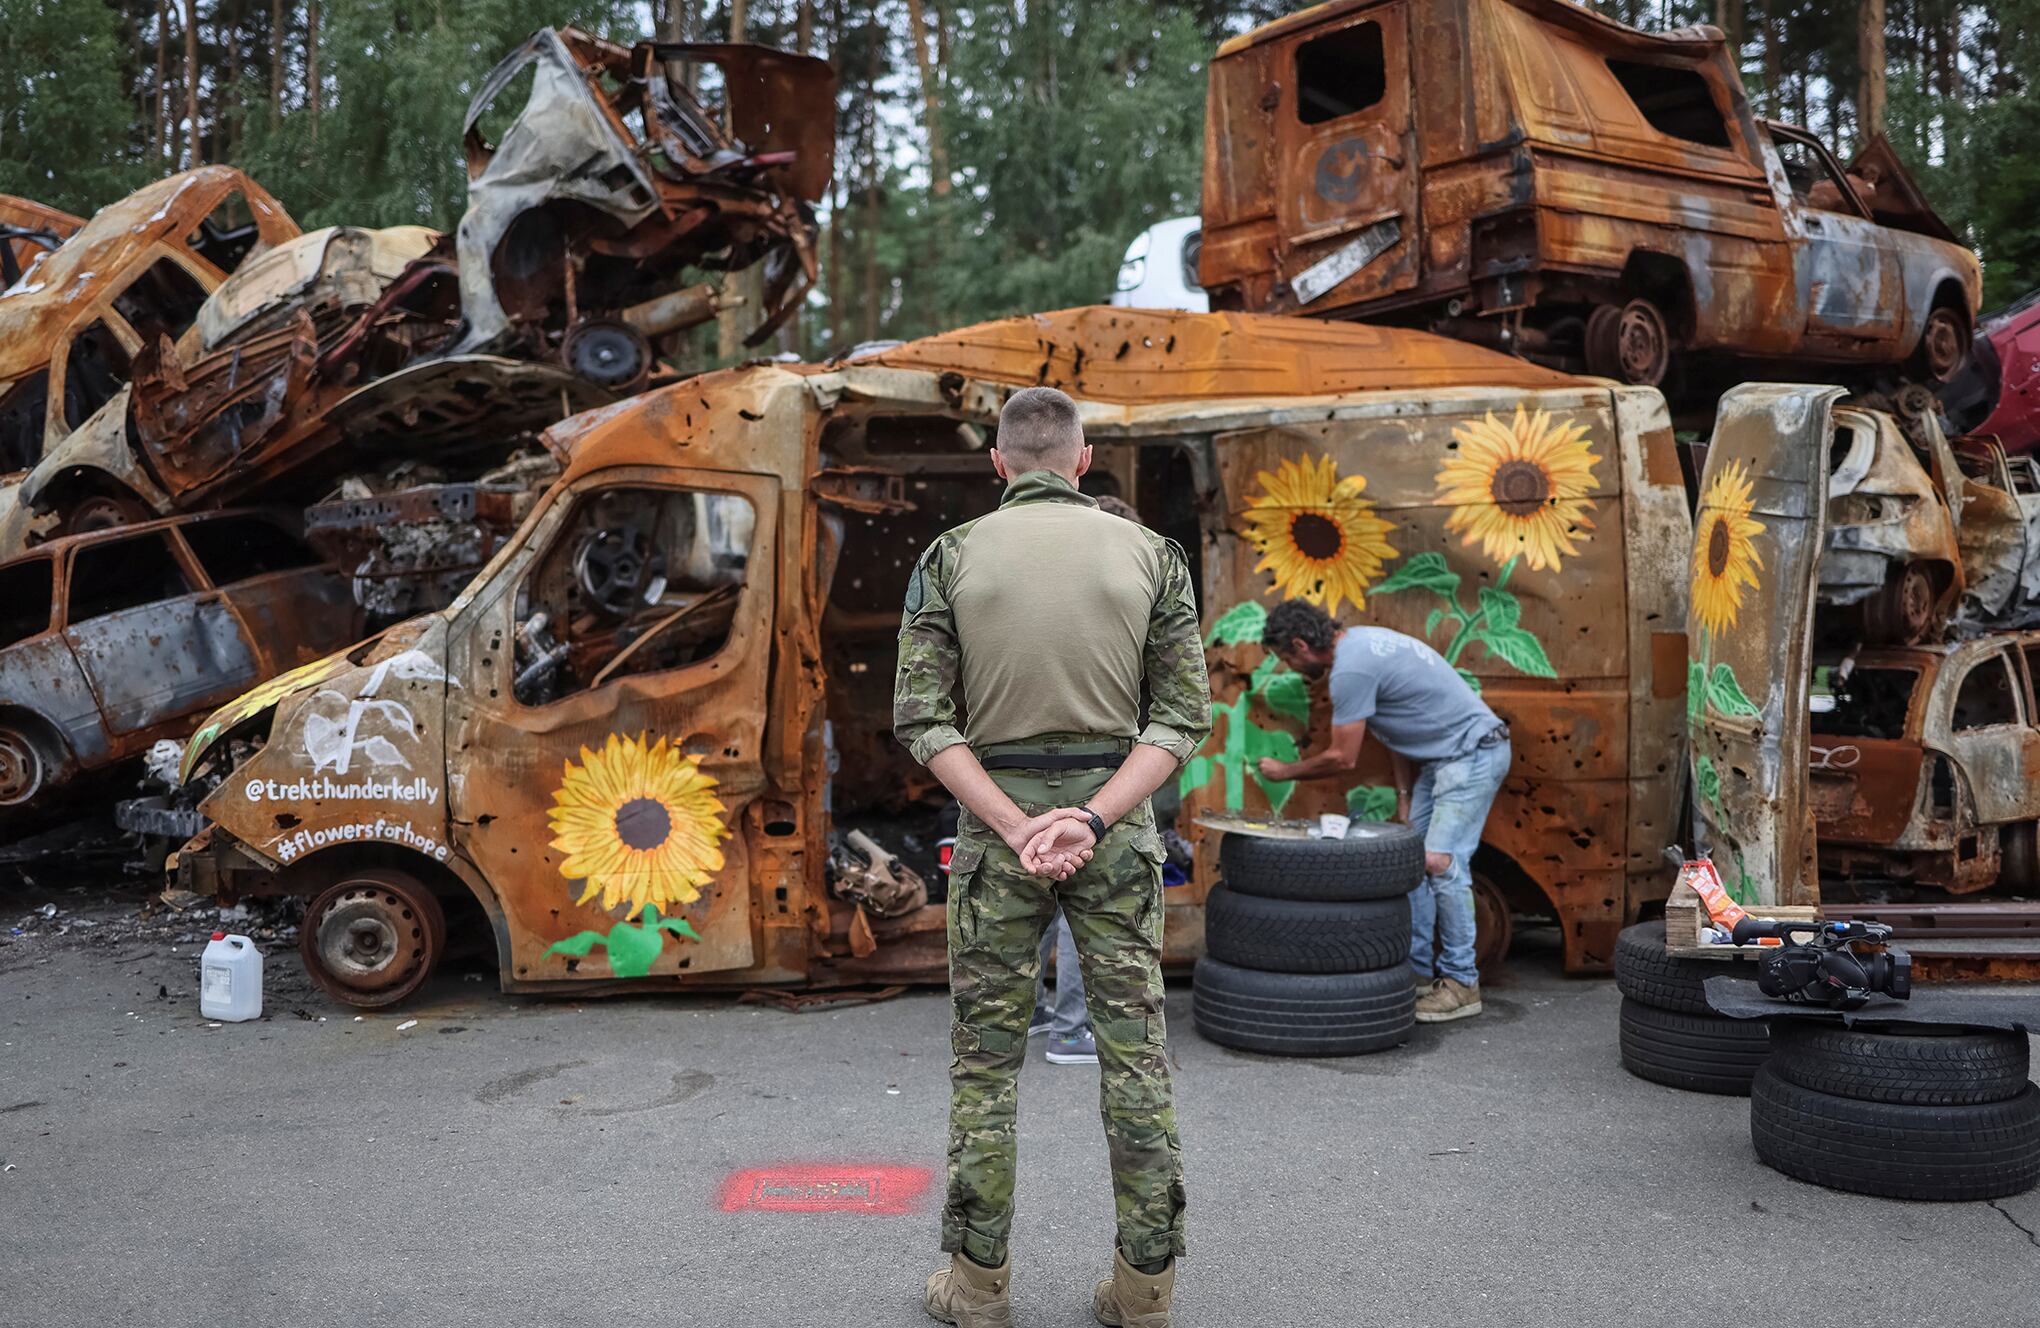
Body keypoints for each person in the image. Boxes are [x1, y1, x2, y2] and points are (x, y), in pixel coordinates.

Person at [896, 385, 1211, 1328]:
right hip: (1112, 834)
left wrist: (1013, 823)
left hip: (996, 839)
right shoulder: (1153, 556)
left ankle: (979, 1287)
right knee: (1135, 1061)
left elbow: (922, 718)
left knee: (986, 1069)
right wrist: (1094, 818)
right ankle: (1144, 1291)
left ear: (999, 465)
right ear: (1082, 462)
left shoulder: (950, 557)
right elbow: (1182, 717)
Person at [1254, 599, 1509, 1023]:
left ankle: (1463, 983)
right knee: (1414, 861)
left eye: (1286, 658)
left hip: (1472, 754)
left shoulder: (1350, 669)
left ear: (1301, 644)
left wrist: (1286, 772)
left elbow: (1343, 757)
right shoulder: (1364, 645)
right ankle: (1421, 976)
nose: (1291, 668)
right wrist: (1405, 798)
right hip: (1444, 760)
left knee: (1441, 863)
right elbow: (1395, 729)